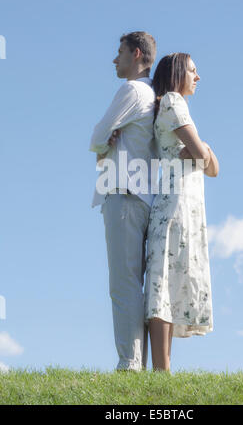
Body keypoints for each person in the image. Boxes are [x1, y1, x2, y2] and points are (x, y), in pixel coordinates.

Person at [144, 53, 219, 371]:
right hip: (174, 204)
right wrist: (202, 150)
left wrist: (203, 150)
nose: (197, 77)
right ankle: (162, 370)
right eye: (192, 70)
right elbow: (203, 156)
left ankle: (164, 369)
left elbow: (212, 166)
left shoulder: (175, 105)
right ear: (177, 73)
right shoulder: (173, 101)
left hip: (185, 204)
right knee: (162, 282)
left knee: (171, 280)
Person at [89, 31, 158, 371]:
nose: (114, 59)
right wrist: (105, 144)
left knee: (123, 283)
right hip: (140, 196)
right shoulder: (150, 94)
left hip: (123, 193)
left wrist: (105, 143)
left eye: (118, 52)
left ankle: (129, 364)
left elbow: (97, 137)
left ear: (135, 54)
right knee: (134, 283)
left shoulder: (133, 89)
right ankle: (134, 362)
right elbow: (102, 144)